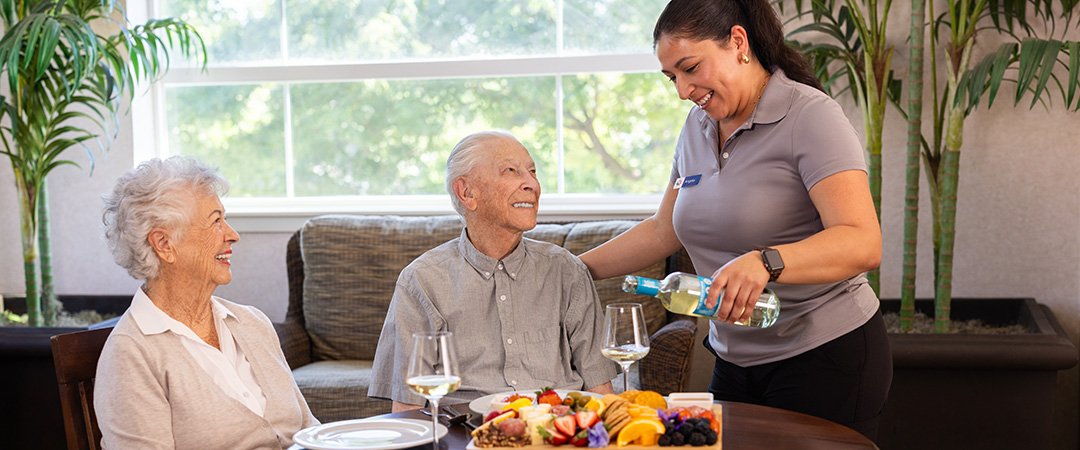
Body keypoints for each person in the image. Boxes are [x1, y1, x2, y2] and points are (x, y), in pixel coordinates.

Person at [579, 0, 892, 440]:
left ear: (738, 43)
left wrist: (766, 262)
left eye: (690, 68)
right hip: (733, 360)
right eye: (672, 77)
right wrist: (573, 269)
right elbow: (662, 231)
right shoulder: (697, 127)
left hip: (825, 356)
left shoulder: (811, 116)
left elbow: (863, 243)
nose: (682, 90)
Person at [369, 131, 617, 412]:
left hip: (557, 431)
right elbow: (408, 409)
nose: (532, 184)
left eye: (532, 171)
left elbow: (602, 390)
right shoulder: (421, 280)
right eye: (511, 171)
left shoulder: (567, 270)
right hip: (465, 435)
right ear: (467, 192)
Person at [95, 156, 317, 449]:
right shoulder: (131, 354)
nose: (232, 235)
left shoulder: (253, 323)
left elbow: (309, 430)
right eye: (215, 221)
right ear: (164, 244)